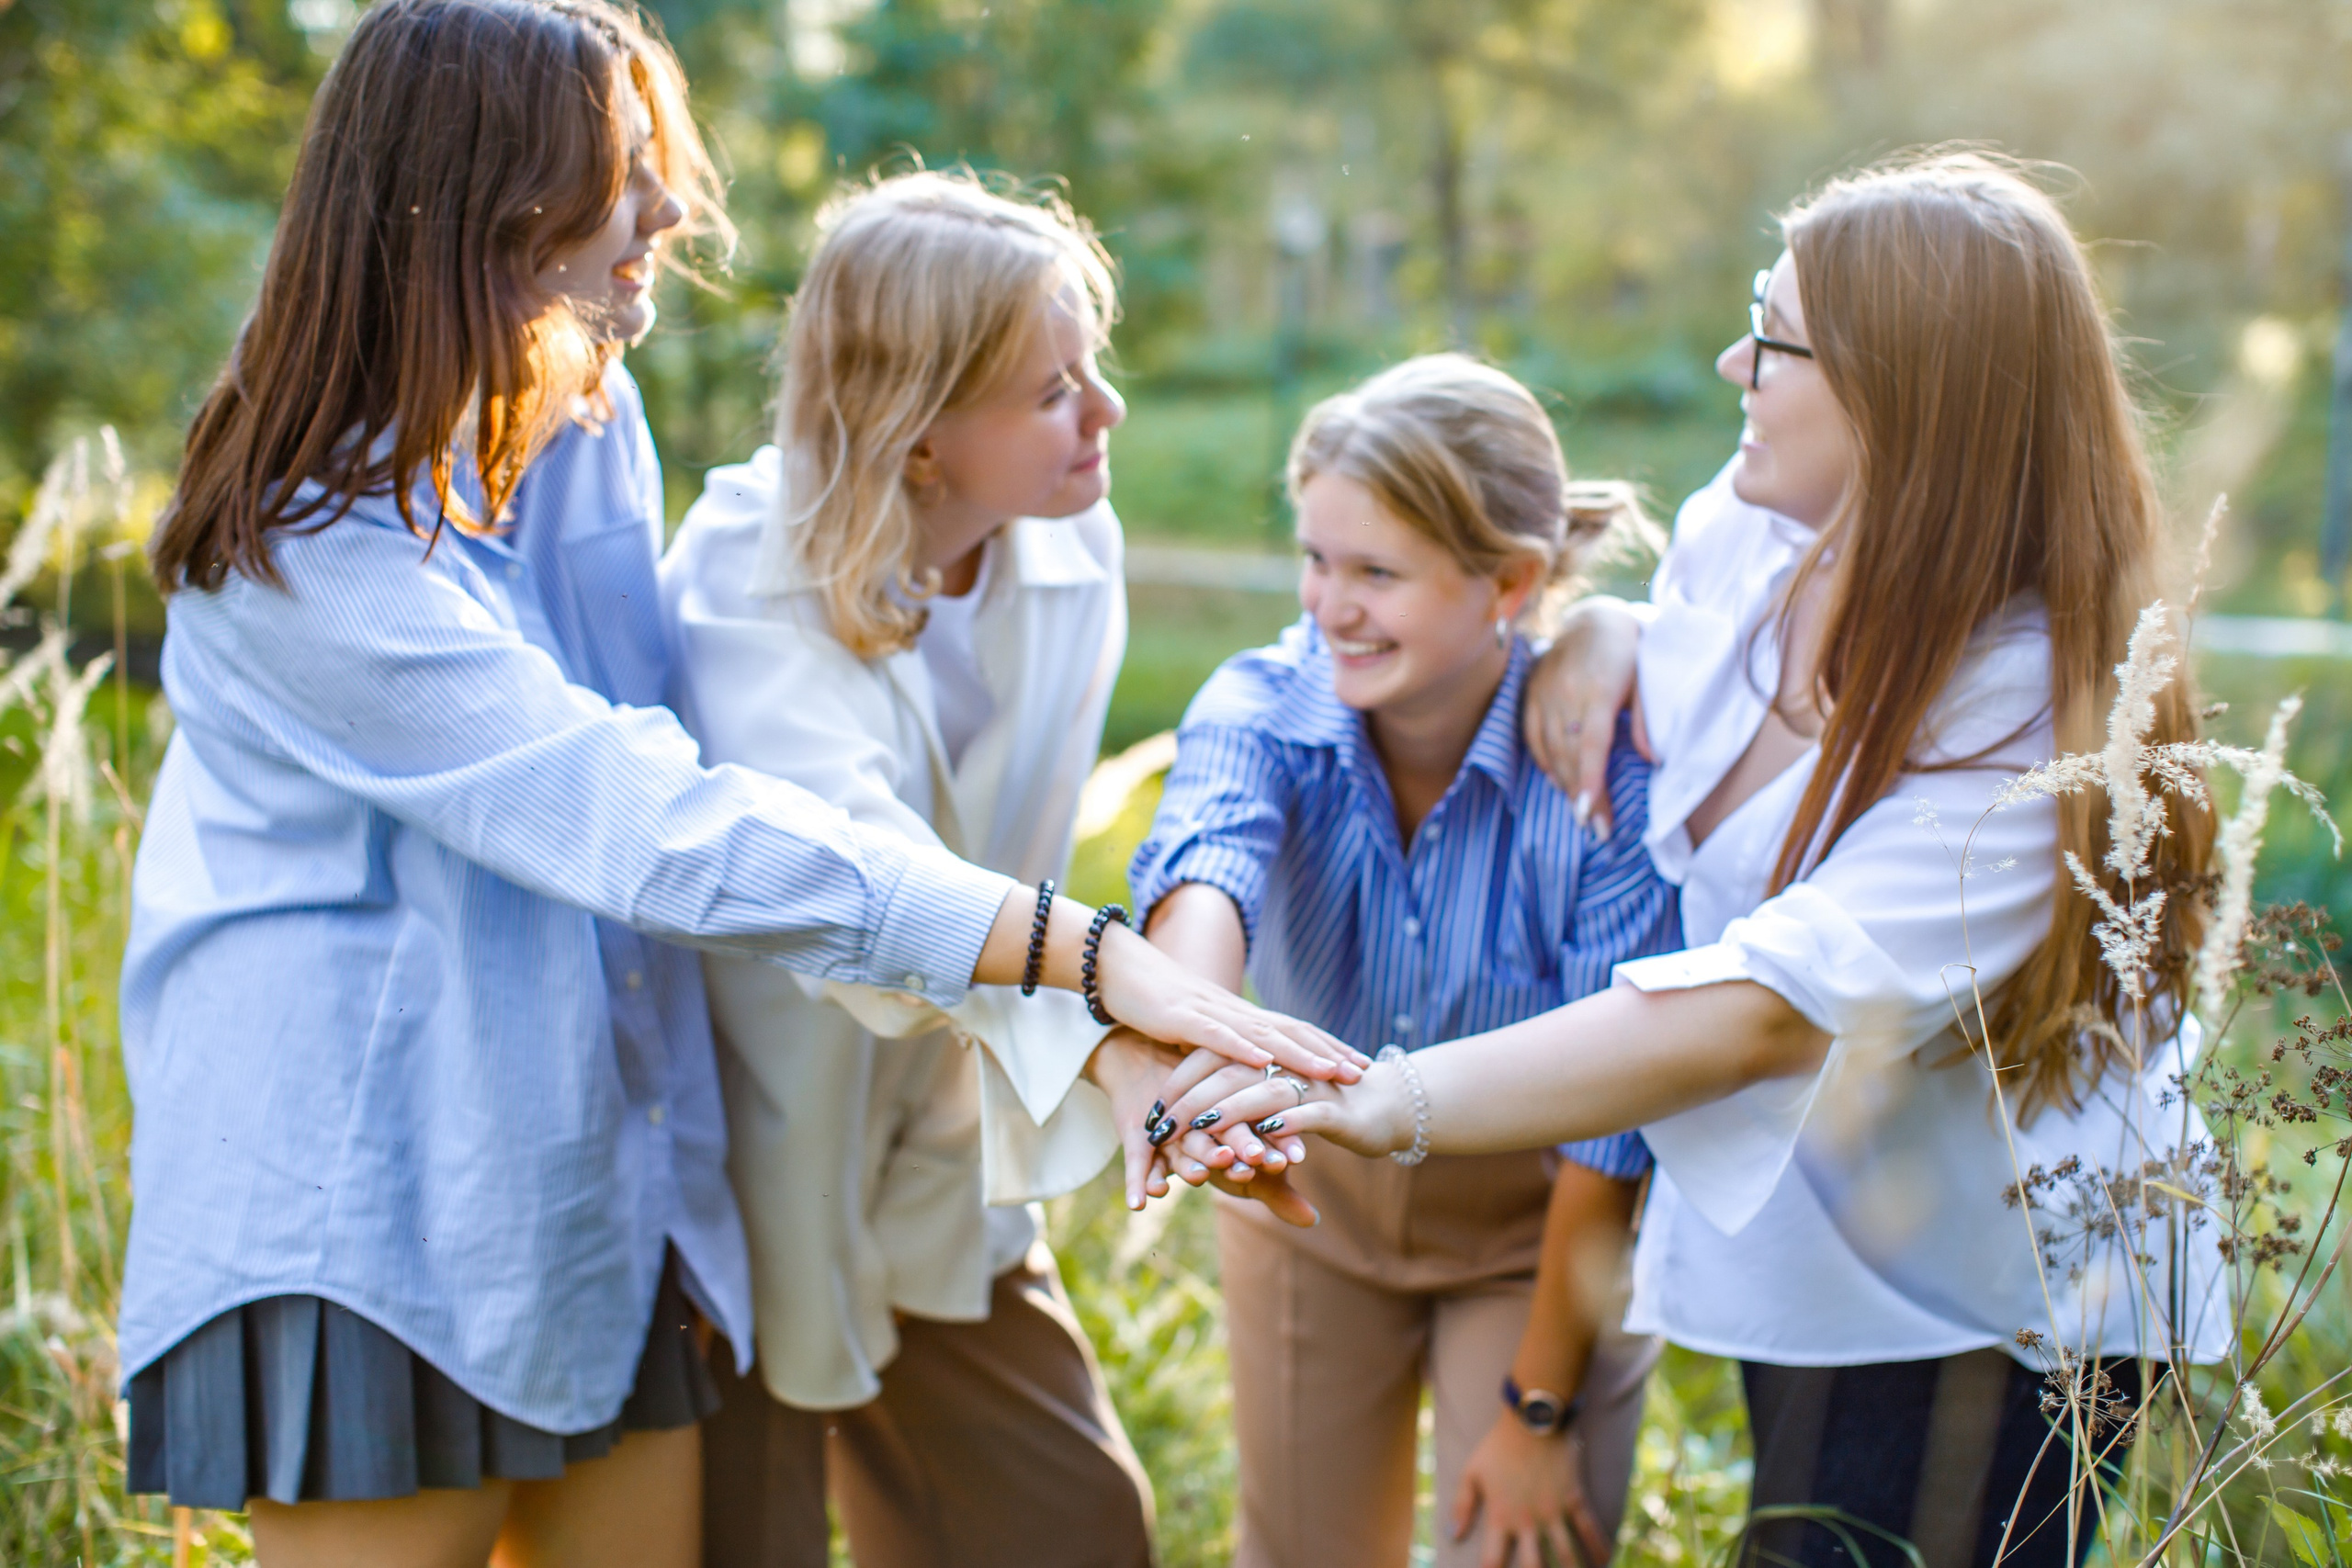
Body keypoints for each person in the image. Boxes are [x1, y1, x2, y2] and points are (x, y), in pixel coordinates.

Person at [116, 7, 1354, 1564]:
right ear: (493, 206)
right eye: (626, 175)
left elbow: (688, 767)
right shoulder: (303, 559)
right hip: (375, 1210)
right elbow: (647, 819)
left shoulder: (580, 424)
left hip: (598, 1179)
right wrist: (1086, 956)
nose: (675, 215)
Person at [1162, 152, 2230, 1568]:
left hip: (2002, 1297)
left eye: (1775, 340)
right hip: (1817, 1246)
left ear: (1902, 395)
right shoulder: (1749, 536)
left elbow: (1764, 1009)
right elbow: (1675, 714)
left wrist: (1381, 1097)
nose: (1735, 358)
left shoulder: (2038, 705)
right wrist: (1599, 637)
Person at [662, 171, 1162, 1567]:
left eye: (1093, 368)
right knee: (748, 1541)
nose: (1106, 412)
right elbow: (861, 889)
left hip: (952, 1133)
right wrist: (1115, 1035)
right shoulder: (742, 573)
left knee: (1075, 1526)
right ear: (919, 434)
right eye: (1055, 390)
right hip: (764, 1142)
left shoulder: (1077, 540)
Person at [1125, 355, 1680, 1568]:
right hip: (1318, 1213)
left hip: (1543, 1228)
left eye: (1378, 572)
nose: (1332, 606)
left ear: (1510, 582)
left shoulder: (1603, 776)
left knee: (1520, 1547)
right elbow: (1205, 865)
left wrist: (1540, 1413)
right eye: (1317, 560)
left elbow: (1614, 1124)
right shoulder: (1265, 707)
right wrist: (1190, 1021)